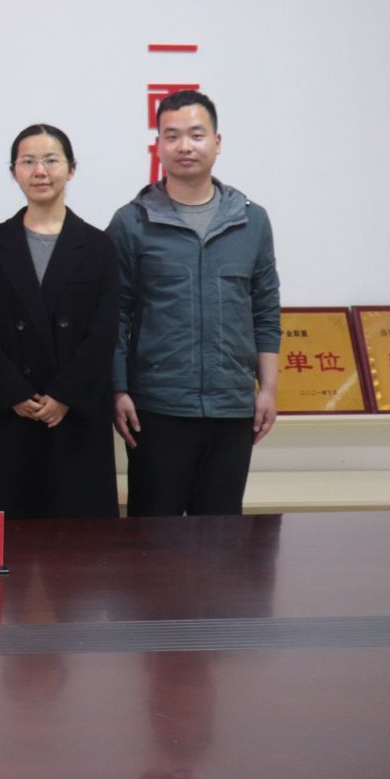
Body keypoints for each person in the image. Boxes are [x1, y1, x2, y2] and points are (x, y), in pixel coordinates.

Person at [110, 90, 281, 517]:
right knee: (153, 537)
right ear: (159, 146)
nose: (184, 146)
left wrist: (268, 390)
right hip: (157, 407)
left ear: (217, 143)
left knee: (222, 537)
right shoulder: (132, 222)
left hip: (231, 407)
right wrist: (118, 389)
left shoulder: (251, 220)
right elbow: (115, 314)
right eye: (172, 136)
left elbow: (265, 310)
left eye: (196, 135)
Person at [0, 124, 121, 519]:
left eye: (51, 160)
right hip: (8, 411)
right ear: (13, 171)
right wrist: (14, 392)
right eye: (28, 161)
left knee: (77, 540)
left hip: (74, 413)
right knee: (7, 533)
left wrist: (65, 394)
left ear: (71, 169)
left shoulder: (99, 246)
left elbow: (104, 331)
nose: (40, 171)